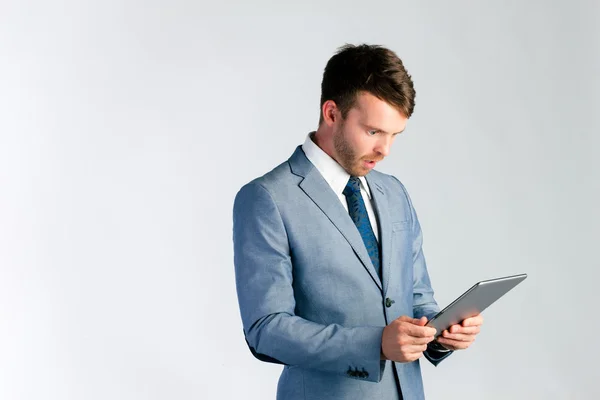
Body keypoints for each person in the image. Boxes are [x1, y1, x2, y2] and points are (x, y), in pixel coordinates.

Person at [232, 44, 483, 400]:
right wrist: (376, 344)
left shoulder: (394, 193)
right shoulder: (267, 198)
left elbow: (416, 299)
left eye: (395, 135)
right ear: (332, 113)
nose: (386, 150)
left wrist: (441, 333)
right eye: (373, 132)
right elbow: (266, 330)